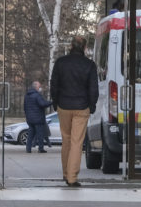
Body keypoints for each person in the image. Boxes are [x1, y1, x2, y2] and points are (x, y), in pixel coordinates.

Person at [49, 35, 98, 187]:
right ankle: (72, 177)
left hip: (63, 105)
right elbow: (93, 89)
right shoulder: (89, 65)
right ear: (84, 47)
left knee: (67, 141)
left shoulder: (60, 62)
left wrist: (55, 103)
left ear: (71, 46)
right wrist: (92, 105)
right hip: (82, 107)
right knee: (77, 142)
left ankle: (65, 173)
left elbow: (54, 85)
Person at [23, 80, 53, 154]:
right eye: (39, 86)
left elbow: (24, 107)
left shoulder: (27, 95)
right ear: (36, 87)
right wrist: (51, 102)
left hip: (30, 119)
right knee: (40, 134)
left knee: (30, 134)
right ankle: (41, 148)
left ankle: (28, 149)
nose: (40, 88)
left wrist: (27, 116)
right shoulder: (37, 95)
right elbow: (42, 104)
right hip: (38, 119)